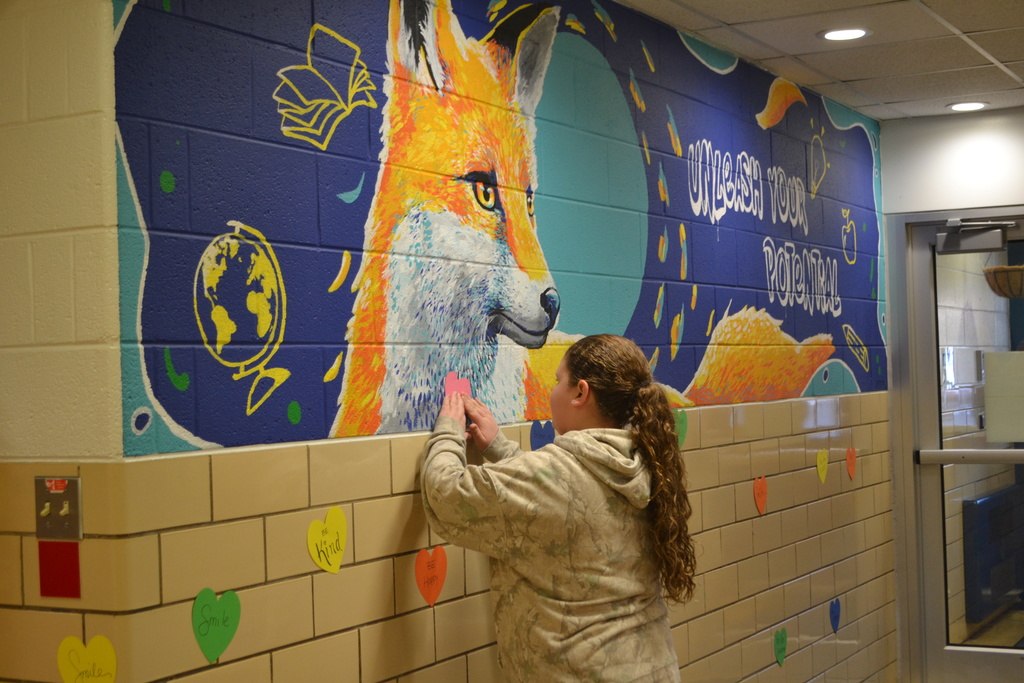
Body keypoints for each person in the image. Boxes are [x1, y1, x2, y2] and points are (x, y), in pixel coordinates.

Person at [420, 334, 696, 682]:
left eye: (557, 382)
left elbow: (445, 494)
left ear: (581, 392)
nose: (551, 393)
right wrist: (501, 450)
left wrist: (447, 430)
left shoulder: (556, 476)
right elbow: (563, 505)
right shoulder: (646, 459)